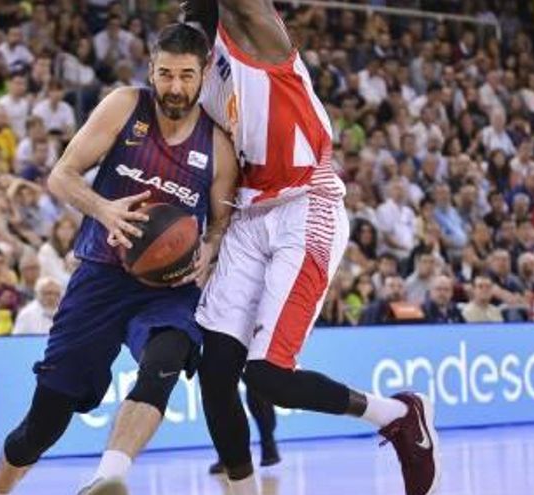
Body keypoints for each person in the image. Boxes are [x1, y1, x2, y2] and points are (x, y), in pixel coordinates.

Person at [186, 3, 439, 495]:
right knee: (215, 374)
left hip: (306, 206)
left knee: (268, 376)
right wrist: (213, 234)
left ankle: (397, 414)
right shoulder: (197, 68)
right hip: (248, 215)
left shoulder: (262, 36)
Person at [0, 24, 238, 495]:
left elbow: (220, 225)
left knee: (168, 356)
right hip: (101, 274)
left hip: (170, 286)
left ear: (203, 74)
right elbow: (62, 176)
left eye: (186, 76)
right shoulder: (125, 105)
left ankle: (110, 477)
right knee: (42, 426)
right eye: (165, 74)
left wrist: (210, 249)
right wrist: (104, 209)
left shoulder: (218, 146)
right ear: (151, 69)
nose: (175, 87)